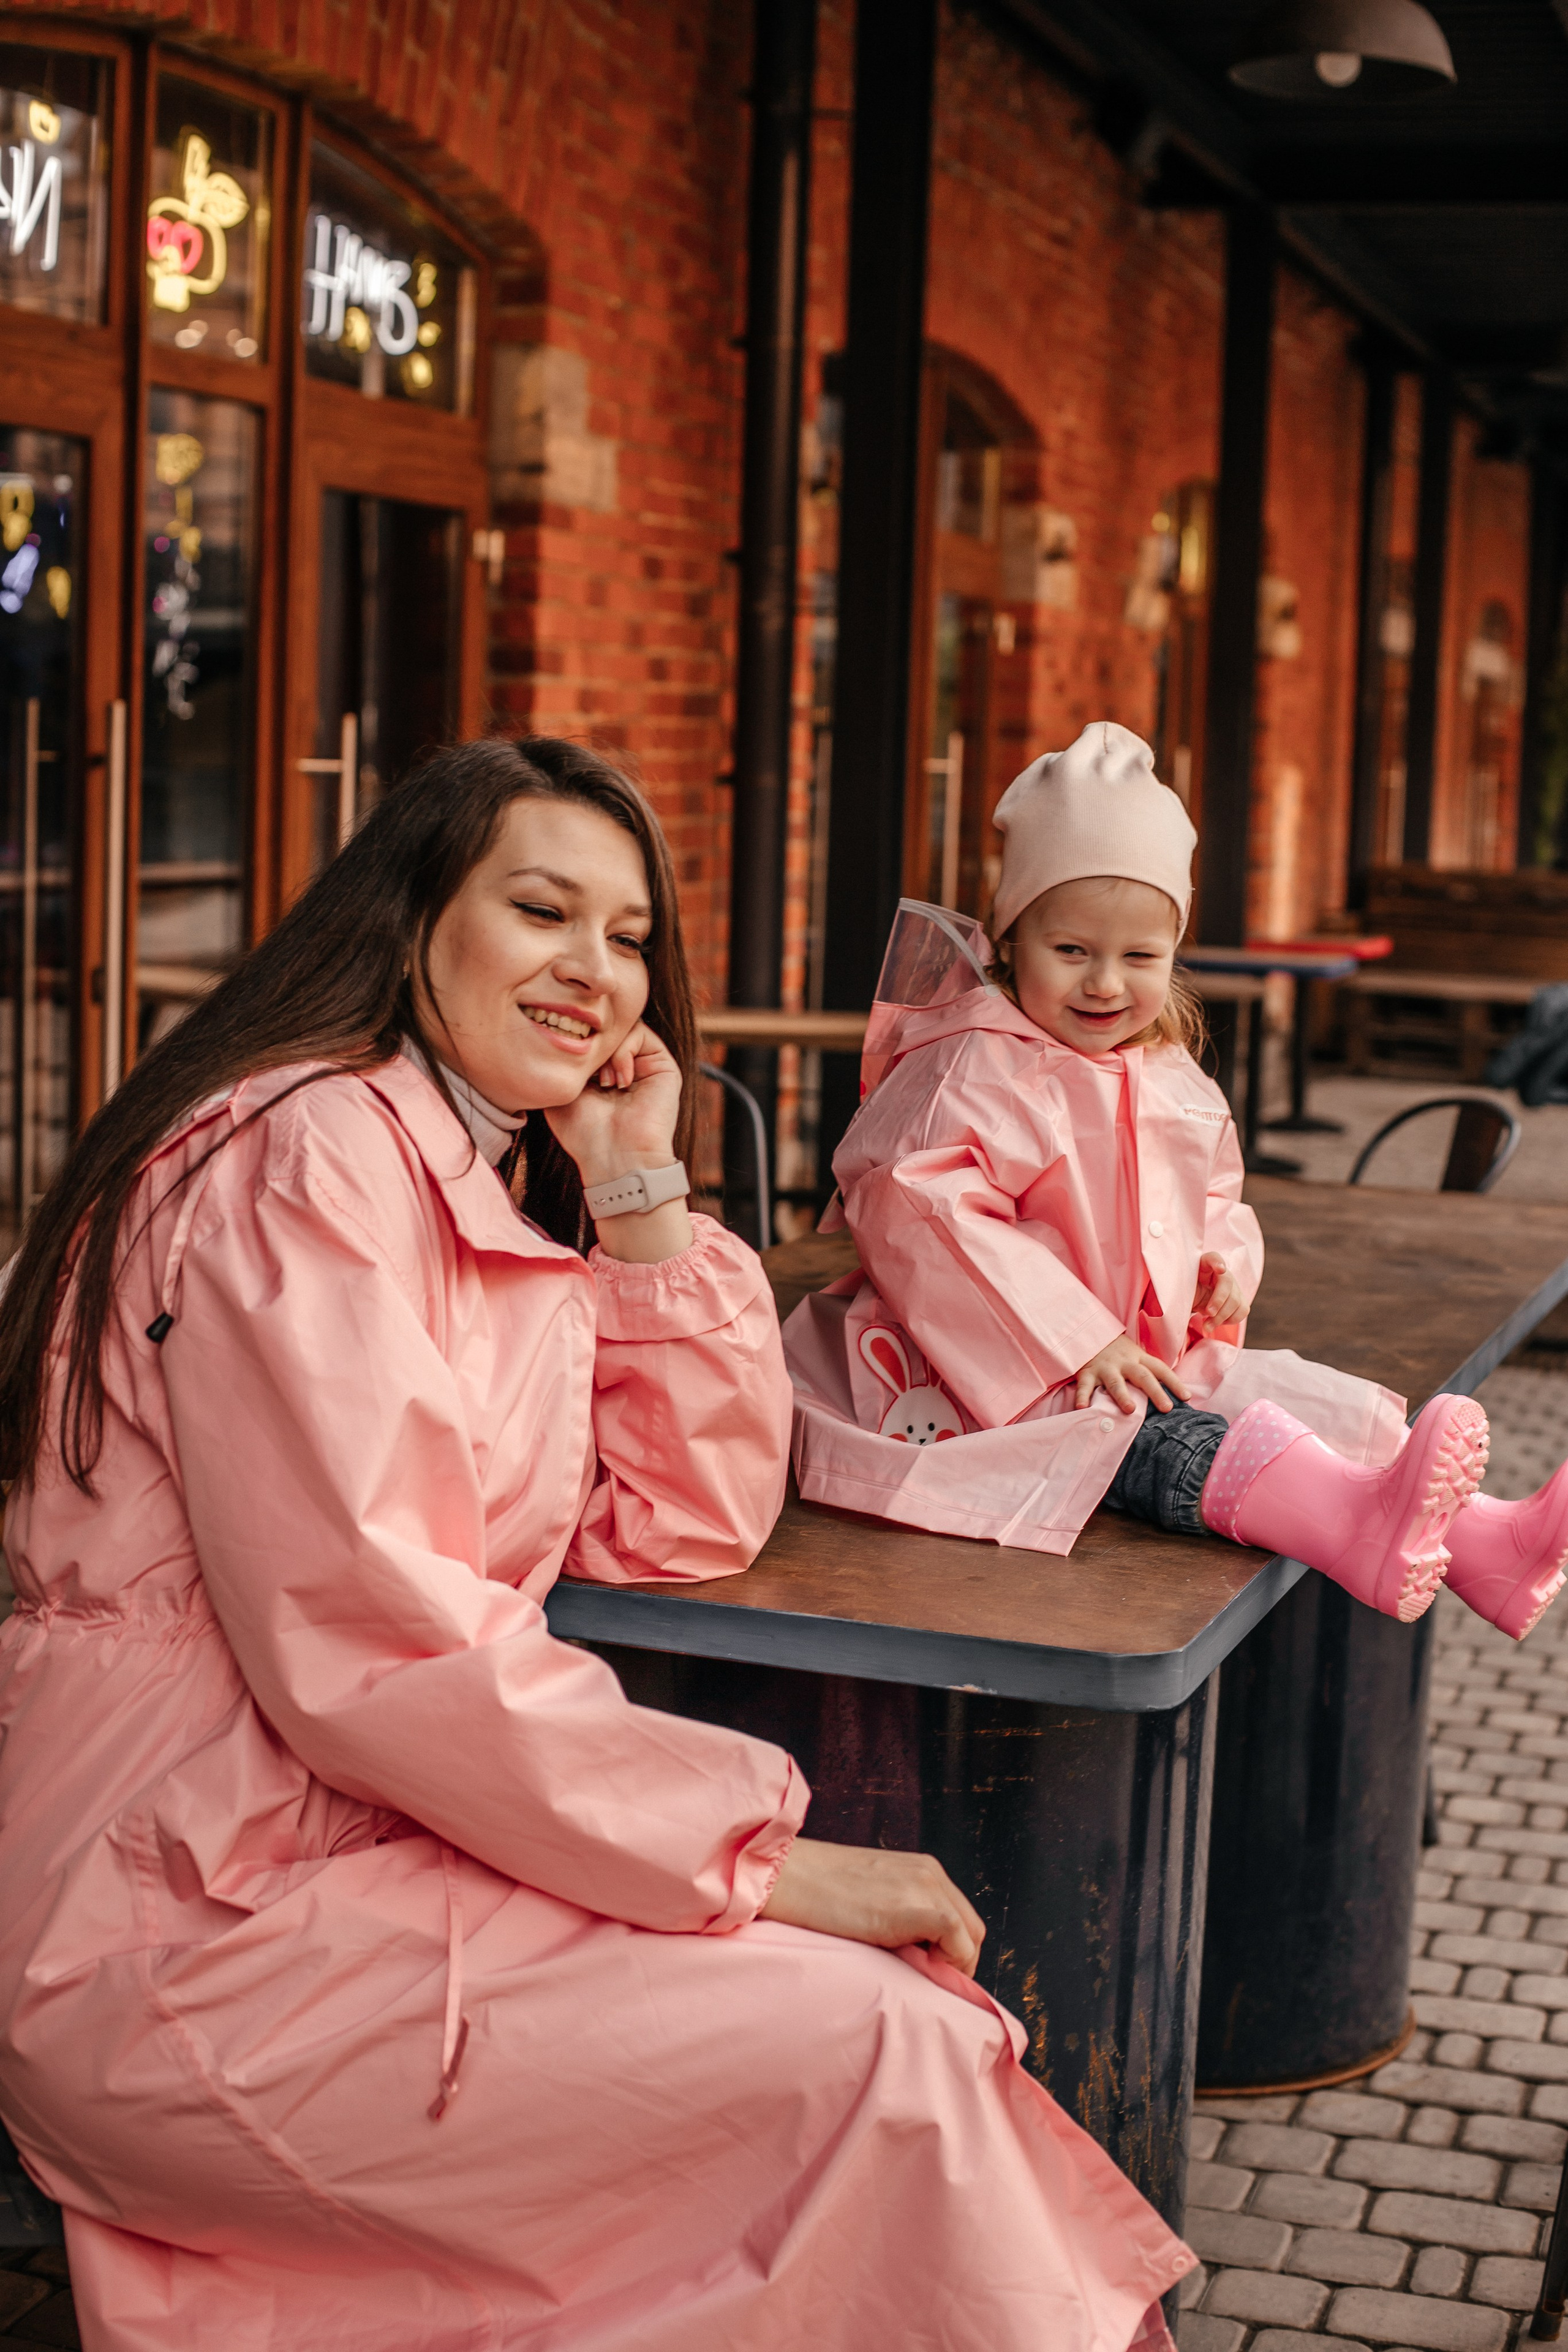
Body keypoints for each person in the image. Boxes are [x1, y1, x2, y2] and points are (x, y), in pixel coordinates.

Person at [0, 736, 1195, 2351]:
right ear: (413, 912)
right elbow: (377, 1635)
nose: (596, 969)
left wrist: (636, 1205)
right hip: (193, 1929)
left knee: (901, 2033)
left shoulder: (463, 1165)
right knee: (886, 2051)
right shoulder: (309, 1156)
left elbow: (677, 1526)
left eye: (629, 935)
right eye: (544, 910)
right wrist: (763, 1866)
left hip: (349, 1853)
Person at [785, 721, 1568, 1643]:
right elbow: (920, 1207)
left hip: (1133, 1352)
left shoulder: (1162, 1070)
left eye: (1141, 958)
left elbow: (1214, 1192)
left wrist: (1218, 1260)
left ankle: (1486, 1546)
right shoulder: (977, 1067)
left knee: (1280, 1392)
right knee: (1153, 1442)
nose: (1106, 984)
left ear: (1174, 953)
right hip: (977, 1375)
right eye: (1070, 950)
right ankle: (1354, 1524)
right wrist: (1075, 1341)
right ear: (1009, 938)